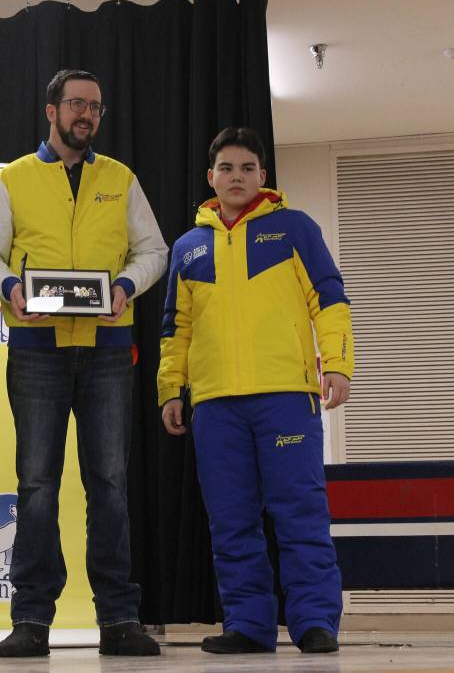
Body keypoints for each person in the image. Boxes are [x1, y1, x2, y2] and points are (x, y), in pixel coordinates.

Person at [0, 68, 168, 657]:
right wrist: (8, 285)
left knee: (108, 484)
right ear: (50, 111)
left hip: (108, 351)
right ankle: (31, 619)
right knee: (36, 487)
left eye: (95, 107)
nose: (86, 114)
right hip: (36, 353)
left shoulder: (121, 179)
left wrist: (128, 287)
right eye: (76, 103)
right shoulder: (14, 179)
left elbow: (152, 249)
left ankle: (118, 619)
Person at [158, 127, 354, 655]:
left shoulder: (294, 229)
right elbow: (176, 328)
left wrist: (337, 364)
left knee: (300, 512)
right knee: (230, 519)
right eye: (227, 168)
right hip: (216, 404)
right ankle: (247, 624)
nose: (237, 177)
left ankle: (316, 622)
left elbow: (330, 299)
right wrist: (171, 389)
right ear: (211, 177)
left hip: (286, 397)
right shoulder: (188, 247)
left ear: (263, 177)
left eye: (247, 168)